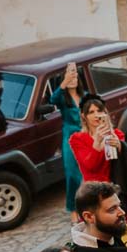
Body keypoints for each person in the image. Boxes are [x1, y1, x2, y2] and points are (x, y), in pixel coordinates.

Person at [49, 63, 83, 222]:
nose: (73, 78)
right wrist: (64, 83)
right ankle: (72, 208)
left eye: (75, 75)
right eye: (70, 76)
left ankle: (86, 206)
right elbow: (52, 99)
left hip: (84, 136)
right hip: (70, 137)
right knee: (72, 174)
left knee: (85, 173)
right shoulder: (62, 98)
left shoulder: (85, 96)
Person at [68, 95, 124, 187]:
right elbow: (90, 166)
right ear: (84, 116)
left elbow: (125, 160)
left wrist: (120, 146)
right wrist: (97, 142)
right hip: (95, 189)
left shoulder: (117, 134)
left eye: (99, 111)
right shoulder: (77, 139)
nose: (96, 115)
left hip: (118, 185)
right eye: (91, 112)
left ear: (105, 113)